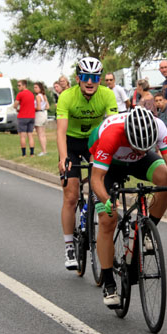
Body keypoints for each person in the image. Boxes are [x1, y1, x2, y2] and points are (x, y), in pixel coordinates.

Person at [88, 106, 167, 308]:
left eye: (145, 147)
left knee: (166, 180)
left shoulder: (158, 127)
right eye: (138, 147)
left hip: (137, 162)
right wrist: (107, 200)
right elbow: (96, 179)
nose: (141, 150)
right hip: (110, 163)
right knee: (108, 220)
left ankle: (147, 229)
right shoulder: (111, 134)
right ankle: (108, 283)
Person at [56, 57, 118, 271]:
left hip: (94, 142)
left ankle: (94, 211)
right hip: (71, 144)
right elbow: (61, 131)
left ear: (100, 79)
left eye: (94, 78)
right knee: (71, 195)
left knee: (97, 183)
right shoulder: (66, 97)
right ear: (78, 78)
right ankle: (69, 246)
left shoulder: (107, 95)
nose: (90, 82)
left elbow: (112, 127)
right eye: (85, 77)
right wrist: (63, 157)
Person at [14, 80, 36, 157]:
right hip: (31, 116)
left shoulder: (20, 94)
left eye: (19, 85)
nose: (18, 87)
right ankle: (32, 153)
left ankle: (24, 154)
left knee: (23, 136)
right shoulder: (31, 94)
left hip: (23, 116)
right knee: (30, 135)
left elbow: (15, 105)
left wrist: (17, 108)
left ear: (24, 85)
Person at [33, 82, 49, 155]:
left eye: (36, 87)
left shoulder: (38, 96)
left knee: (40, 134)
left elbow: (38, 107)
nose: (34, 89)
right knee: (43, 133)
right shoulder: (44, 95)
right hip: (44, 113)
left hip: (39, 114)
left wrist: (33, 108)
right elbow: (47, 106)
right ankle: (44, 149)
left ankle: (43, 150)